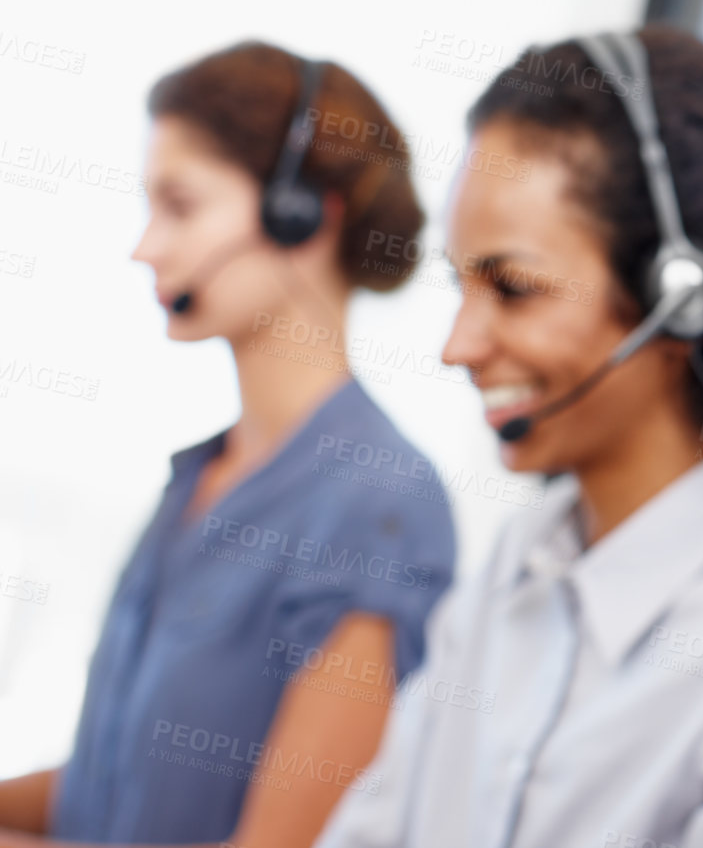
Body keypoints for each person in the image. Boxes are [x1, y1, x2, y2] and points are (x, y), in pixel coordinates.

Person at [316, 27, 703, 848]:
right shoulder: (519, 558)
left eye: (513, 288)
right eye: (461, 286)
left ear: (684, 298)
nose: (458, 345)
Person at [0, 43, 457, 847]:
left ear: (305, 213)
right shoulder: (198, 478)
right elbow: (114, 788)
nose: (146, 246)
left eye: (180, 205)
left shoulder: (381, 506)